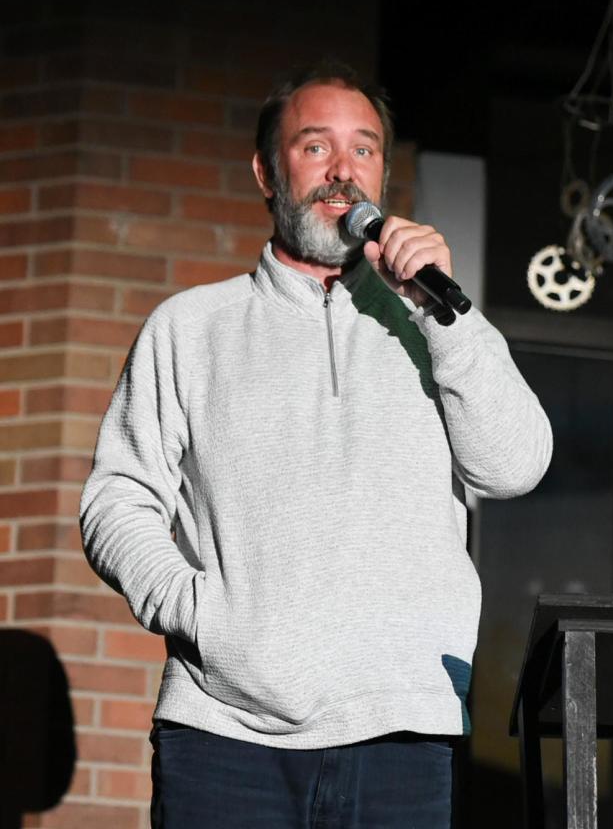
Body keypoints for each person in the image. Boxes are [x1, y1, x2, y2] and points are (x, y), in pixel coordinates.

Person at [79, 60, 553, 828]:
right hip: (223, 737)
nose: (342, 171)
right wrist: (201, 611)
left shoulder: (433, 324)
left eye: (363, 150)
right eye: (315, 147)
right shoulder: (192, 326)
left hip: (405, 730)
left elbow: (515, 466)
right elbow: (117, 499)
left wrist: (447, 322)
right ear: (267, 172)